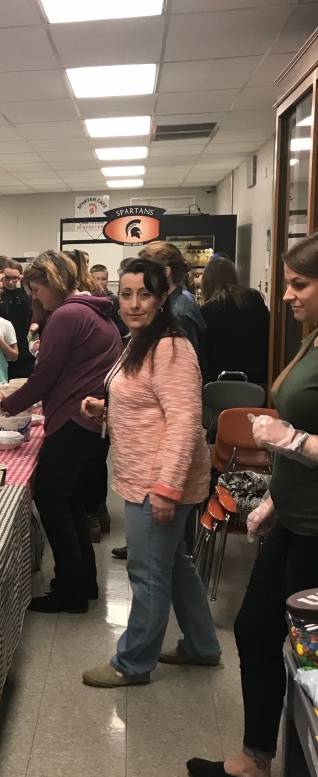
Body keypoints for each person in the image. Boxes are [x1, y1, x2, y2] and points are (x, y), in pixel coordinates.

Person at [188, 232, 318, 777]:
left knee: (308, 660)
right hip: (294, 517)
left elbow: (295, 434)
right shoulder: (311, 341)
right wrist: (272, 497)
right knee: (256, 630)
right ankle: (255, 760)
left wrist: (288, 440)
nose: (286, 295)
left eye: (300, 285)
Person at [78, 260, 220, 687]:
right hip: (144, 473)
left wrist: (166, 488)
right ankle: (201, 646)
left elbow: (183, 422)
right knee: (175, 564)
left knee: (148, 572)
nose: (134, 303)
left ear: (162, 299)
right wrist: (108, 408)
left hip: (156, 481)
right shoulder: (140, 341)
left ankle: (133, 663)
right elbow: (150, 405)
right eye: (126, 294)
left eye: (144, 294)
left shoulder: (171, 348)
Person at [0, 252, 122, 614]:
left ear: (53, 281)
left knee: (52, 499)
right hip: (88, 421)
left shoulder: (68, 314)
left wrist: (1, 407)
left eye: (37, 290)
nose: (36, 298)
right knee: (69, 502)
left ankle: (69, 589)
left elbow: (43, 378)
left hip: (72, 419)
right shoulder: (93, 310)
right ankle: (85, 582)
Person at [138, 242, 208, 374]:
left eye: (145, 271)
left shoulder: (179, 313)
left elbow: (184, 370)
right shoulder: (168, 306)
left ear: (165, 272)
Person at [199, 256, 270, 384]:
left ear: (207, 280)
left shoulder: (207, 309)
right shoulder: (254, 299)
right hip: (258, 376)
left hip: (218, 380)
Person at [0, 255, 35, 378]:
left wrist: (22, 287)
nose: (11, 282)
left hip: (23, 349)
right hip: (2, 348)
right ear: (1, 275)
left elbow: (28, 312)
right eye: (7, 278)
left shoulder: (24, 294)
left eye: (15, 278)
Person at [90, 264, 129, 340]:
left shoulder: (114, 299)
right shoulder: (86, 298)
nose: (100, 282)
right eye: (96, 279)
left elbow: (122, 326)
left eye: (104, 279)